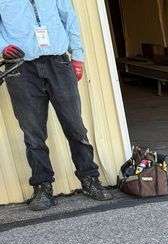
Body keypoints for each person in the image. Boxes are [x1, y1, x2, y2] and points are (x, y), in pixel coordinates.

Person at [0, 0, 111, 211]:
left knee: (75, 127)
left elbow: (69, 19)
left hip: (58, 63)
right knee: (33, 134)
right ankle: (43, 187)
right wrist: (3, 46)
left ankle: (90, 179)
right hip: (21, 68)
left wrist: (77, 56)